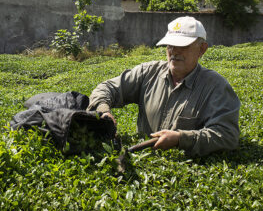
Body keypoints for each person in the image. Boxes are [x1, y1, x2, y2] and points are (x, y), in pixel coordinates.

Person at [88, 16, 240, 157]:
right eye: (170, 45)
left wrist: (181, 139)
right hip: (142, 160)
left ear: (202, 49)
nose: (174, 51)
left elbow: (227, 136)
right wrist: (103, 111)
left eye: (182, 45)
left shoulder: (216, 87)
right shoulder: (148, 72)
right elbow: (106, 88)